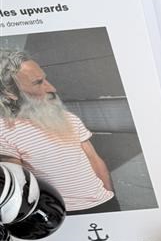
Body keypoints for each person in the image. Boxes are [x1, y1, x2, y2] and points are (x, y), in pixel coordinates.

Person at [0, 49, 120, 214]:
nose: (52, 88)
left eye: (45, 79)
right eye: (38, 83)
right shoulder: (4, 131)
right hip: (61, 215)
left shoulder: (67, 117)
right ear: (10, 93)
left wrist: (110, 196)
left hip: (105, 203)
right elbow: (18, 186)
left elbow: (94, 160)